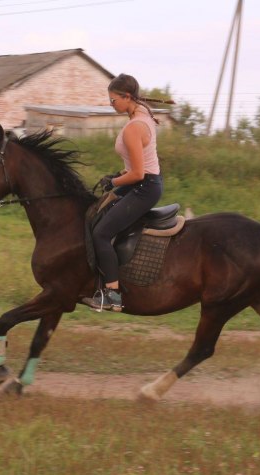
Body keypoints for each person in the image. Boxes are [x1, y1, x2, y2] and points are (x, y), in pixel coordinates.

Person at [85, 73, 171, 312]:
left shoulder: (135, 127)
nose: (111, 104)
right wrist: (117, 176)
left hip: (144, 187)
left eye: (113, 100)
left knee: (101, 233)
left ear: (126, 97)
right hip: (141, 183)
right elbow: (135, 166)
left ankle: (113, 294)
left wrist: (114, 183)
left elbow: (138, 174)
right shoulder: (142, 113)